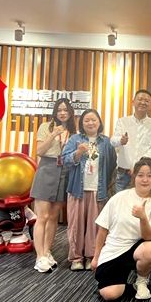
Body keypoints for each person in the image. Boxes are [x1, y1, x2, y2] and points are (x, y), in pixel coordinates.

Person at [91, 157, 151, 301]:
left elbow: (149, 237)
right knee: (110, 295)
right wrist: (96, 257)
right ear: (134, 177)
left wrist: (143, 218)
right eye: (141, 175)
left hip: (138, 248)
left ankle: (141, 281)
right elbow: (103, 229)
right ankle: (127, 284)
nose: (145, 180)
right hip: (115, 249)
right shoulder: (119, 198)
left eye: (150, 175)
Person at [62, 109, 116, 270]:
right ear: (82, 123)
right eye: (86, 120)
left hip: (98, 191)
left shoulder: (106, 142)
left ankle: (92, 256)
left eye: (93, 120)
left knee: (95, 226)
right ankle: (76, 258)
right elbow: (64, 160)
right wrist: (78, 152)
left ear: (99, 122)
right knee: (76, 226)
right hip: (77, 189)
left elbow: (112, 164)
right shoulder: (75, 139)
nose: (90, 123)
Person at [30, 97, 76, 273]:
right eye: (59, 110)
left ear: (70, 112)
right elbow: (39, 151)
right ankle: (39, 256)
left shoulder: (73, 131)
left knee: (54, 216)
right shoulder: (46, 127)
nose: (62, 113)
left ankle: (47, 251)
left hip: (64, 171)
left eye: (65, 110)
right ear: (55, 112)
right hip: (47, 169)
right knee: (42, 216)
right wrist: (53, 135)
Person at [111, 89, 151, 193]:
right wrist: (121, 140)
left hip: (143, 174)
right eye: (140, 99)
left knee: (142, 201)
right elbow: (113, 140)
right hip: (123, 173)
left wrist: (138, 165)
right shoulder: (122, 121)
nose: (143, 102)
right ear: (133, 101)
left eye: (147, 101)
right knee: (121, 202)